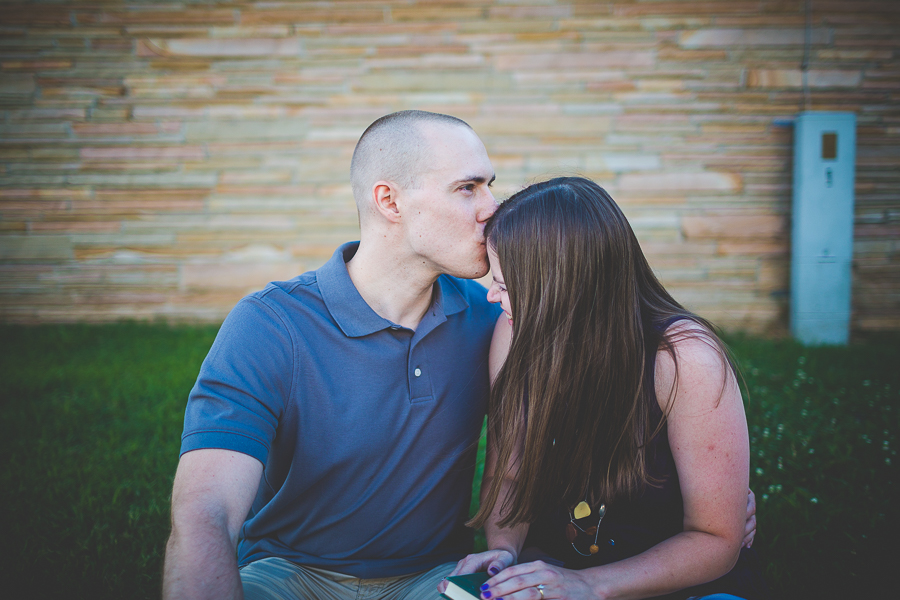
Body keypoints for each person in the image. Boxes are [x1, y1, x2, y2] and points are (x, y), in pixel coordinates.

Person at [162, 110, 503, 600]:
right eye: (468, 188)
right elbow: (204, 513)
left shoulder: (488, 318)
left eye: (490, 185)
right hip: (287, 575)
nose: (494, 207)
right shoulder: (270, 325)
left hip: (436, 579)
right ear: (390, 201)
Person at [444, 177, 766, 599]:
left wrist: (589, 585)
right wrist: (504, 550)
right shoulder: (514, 332)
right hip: (558, 566)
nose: (491, 296)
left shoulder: (684, 359)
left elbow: (716, 539)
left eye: (505, 285)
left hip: (673, 582)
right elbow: (510, 474)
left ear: (560, 287)